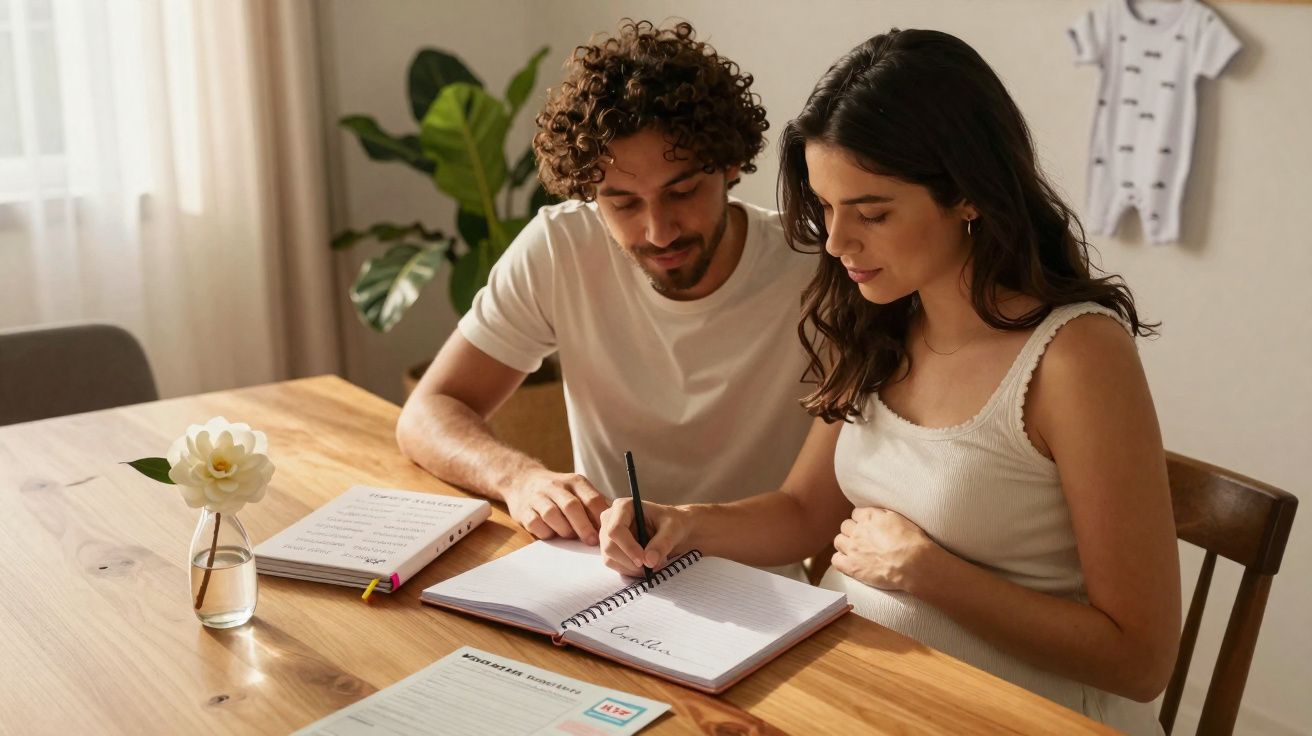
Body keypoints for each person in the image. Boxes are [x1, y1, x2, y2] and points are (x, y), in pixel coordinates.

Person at [597, 29, 1180, 734]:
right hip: (859, 698)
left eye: (871, 212)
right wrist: (684, 524)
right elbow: (803, 513)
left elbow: (1142, 661)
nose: (837, 243)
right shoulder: (886, 322)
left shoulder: (1076, 358)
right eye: (827, 208)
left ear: (966, 194)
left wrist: (927, 574)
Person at [396, 20, 814, 567]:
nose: (658, 231)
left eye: (682, 191)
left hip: (763, 589)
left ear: (730, 162)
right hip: (607, 579)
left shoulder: (814, 270)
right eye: (622, 203)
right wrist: (520, 478)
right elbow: (428, 411)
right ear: (589, 191)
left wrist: (689, 527)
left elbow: (818, 512)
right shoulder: (560, 247)